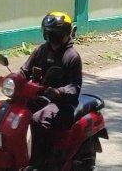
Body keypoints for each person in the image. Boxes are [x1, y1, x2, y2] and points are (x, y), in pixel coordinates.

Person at [19, 12, 82, 171]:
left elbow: (75, 86)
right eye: (48, 33)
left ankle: (39, 163)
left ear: (64, 34)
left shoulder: (72, 56)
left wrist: (59, 91)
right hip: (39, 97)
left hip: (62, 104)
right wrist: (14, 79)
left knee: (38, 119)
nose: (50, 37)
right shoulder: (41, 50)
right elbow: (25, 70)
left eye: (54, 33)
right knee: (13, 112)